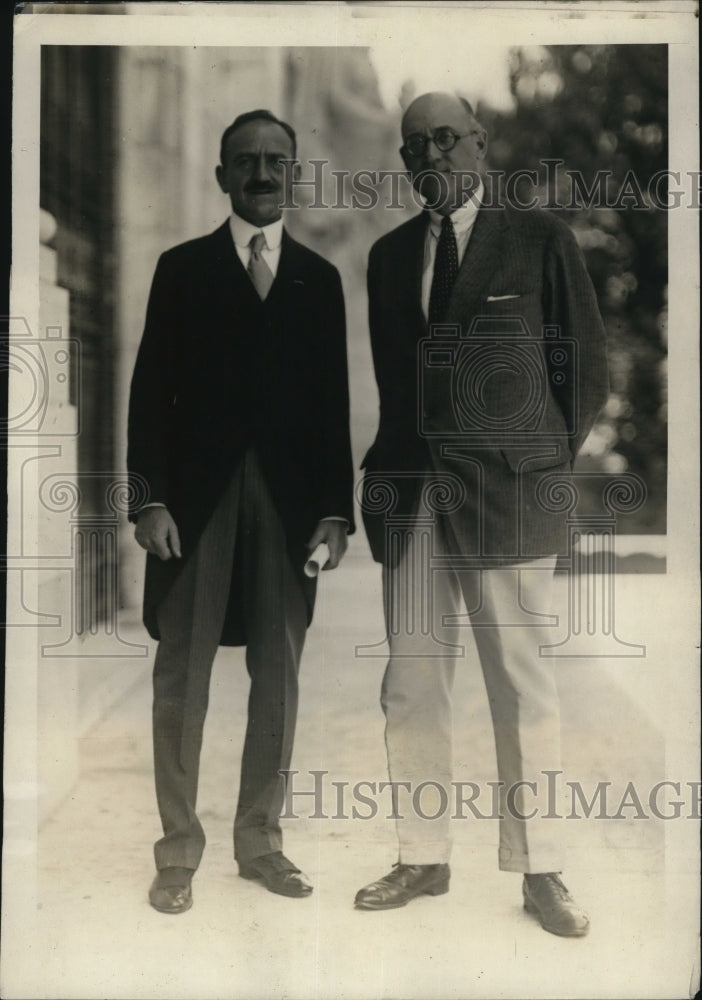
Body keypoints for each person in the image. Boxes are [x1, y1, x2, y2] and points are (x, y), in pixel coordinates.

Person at [356, 92, 608, 936]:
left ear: (479, 144)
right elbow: (395, 385)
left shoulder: (539, 239)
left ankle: (541, 870)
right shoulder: (389, 257)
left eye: (445, 139)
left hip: (511, 495)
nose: (430, 156)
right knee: (411, 683)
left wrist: (536, 460)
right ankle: (422, 856)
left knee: (522, 685)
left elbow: (587, 371)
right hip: (414, 496)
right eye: (414, 146)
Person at [127, 109, 354, 914]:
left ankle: (260, 841)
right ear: (221, 175)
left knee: (279, 677)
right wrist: (148, 498)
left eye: (276, 160)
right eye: (246, 160)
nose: (262, 173)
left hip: (288, 507)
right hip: (196, 502)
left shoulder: (319, 280)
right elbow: (150, 390)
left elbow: (332, 406)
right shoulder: (182, 269)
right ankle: (177, 853)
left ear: (294, 173)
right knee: (181, 677)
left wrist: (334, 512)